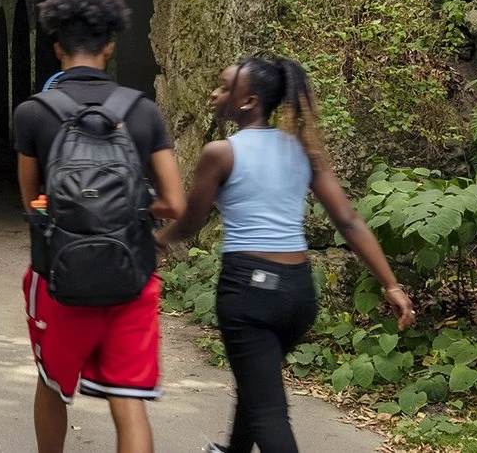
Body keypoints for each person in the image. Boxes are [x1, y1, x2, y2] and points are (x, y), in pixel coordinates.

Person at [161, 54, 416, 453]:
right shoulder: (302, 150)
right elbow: (348, 220)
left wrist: (156, 241)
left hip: (248, 291)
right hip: (298, 295)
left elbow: (190, 225)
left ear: (249, 101)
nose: (215, 93)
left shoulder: (220, 153)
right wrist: (391, 284)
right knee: (258, 381)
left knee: (269, 411)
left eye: (225, 86)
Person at [12, 0, 184, 453]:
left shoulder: (33, 113)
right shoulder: (143, 111)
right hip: (131, 274)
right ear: (110, 44)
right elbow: (175, 202)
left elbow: (32, 202)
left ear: (55, 47)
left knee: (51, 385)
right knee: (129, 402)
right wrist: (131, 210)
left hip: (59, 277)